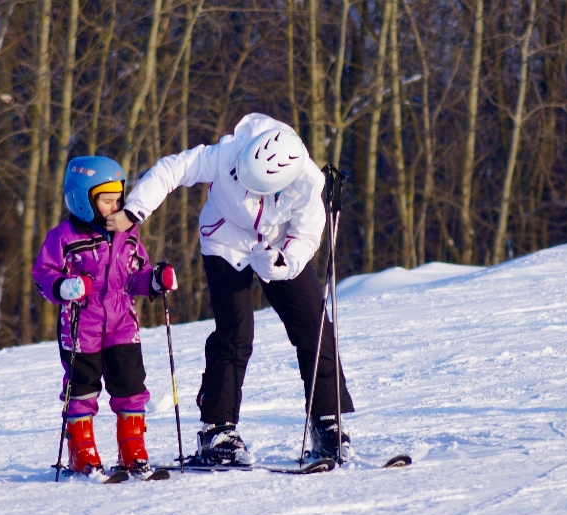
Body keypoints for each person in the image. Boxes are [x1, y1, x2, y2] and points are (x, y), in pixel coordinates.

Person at [106, 113, 355, 466]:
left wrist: (285, 261)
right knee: (236, 333)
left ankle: (328, 422)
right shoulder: (229, 153)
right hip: (225, 241)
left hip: (278, 245)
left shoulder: (308, 183)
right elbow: (172, 169)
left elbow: (308, 235)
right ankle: (217, 429)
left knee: (314, 330)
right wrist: (134, 210)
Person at [33, 155, 178, 475]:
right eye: (107, 201)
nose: (115, 208)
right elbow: (43, 275)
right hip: (81, 328)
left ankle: (132, 448)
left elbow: (134, 276)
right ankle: (81, 450)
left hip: (122, 324)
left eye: (118, 200)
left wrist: (155, 279)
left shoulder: (126, 234)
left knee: (130, 384)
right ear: (83, 200)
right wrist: (62, 287)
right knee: (82, 388)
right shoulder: (63, 238)